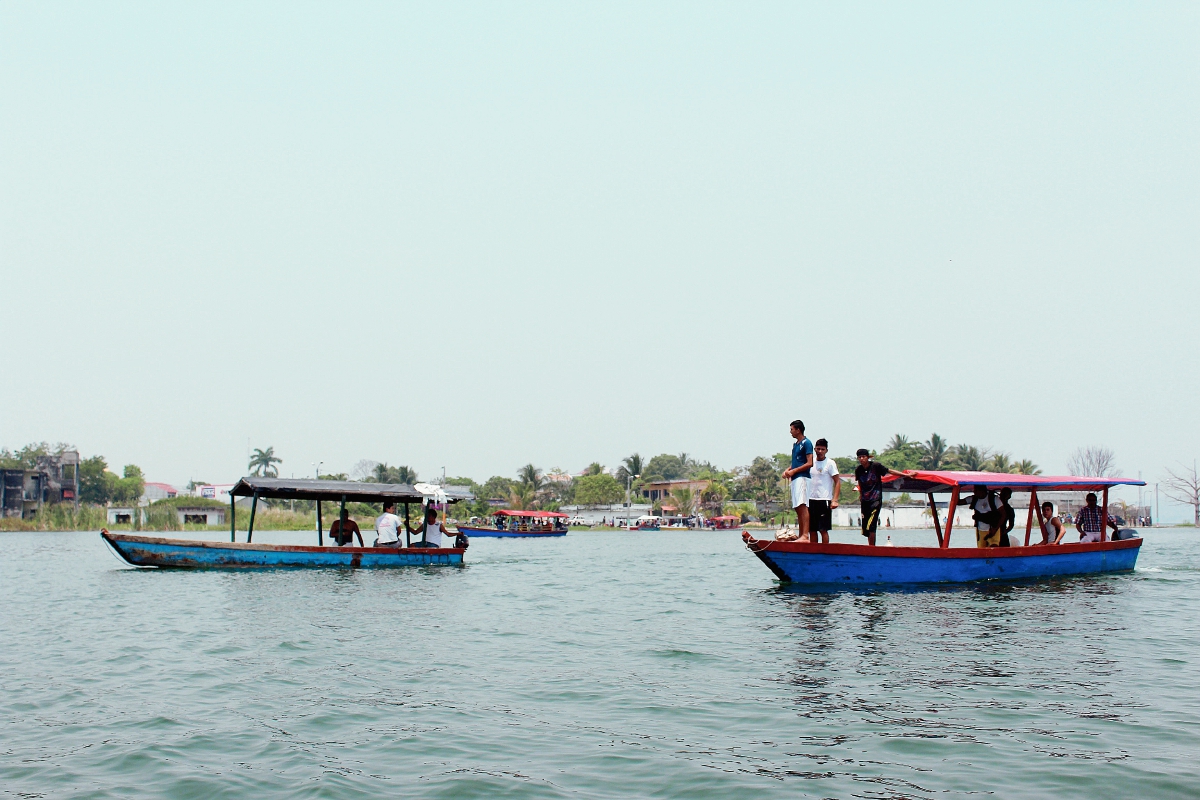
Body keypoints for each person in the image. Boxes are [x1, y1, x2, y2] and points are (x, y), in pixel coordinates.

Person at [854, 449, 910, 546]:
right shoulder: (858, 470)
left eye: (864, 456)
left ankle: (872, 548)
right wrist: (860, 494)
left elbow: (889, 471)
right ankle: (870, 547)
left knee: (872, 525)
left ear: (868, 457)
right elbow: (859, 482)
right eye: (860, 457)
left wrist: (905, 475)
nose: (862, 459)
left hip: (875, 499)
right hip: (865, 501)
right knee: (865, 528)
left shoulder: (876, 466)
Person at [780, 420, 814, 542]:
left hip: (803, 477)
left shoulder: (807, 443)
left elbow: (810, 463)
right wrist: (788, 470)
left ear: (798, 430)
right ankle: (801, 536)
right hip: (795, 478)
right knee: (797, 507)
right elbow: (796, 462)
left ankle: (805, 535)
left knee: (803, 505)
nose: (790, 432)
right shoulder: (795, 445)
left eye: (792, 429)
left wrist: (794, 471)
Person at [806, 438, 839, 544]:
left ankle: (825, 551)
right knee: (812, 530)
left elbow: (837, 482)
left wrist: (835, 500)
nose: (820, 451)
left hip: (824, 500)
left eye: (822, 449)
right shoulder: (810, 462)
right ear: (815, 449)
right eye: (818, 449)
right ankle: (813, 552)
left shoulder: (830, 463)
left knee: (823, 529)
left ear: (826, 450)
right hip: (811, 499)